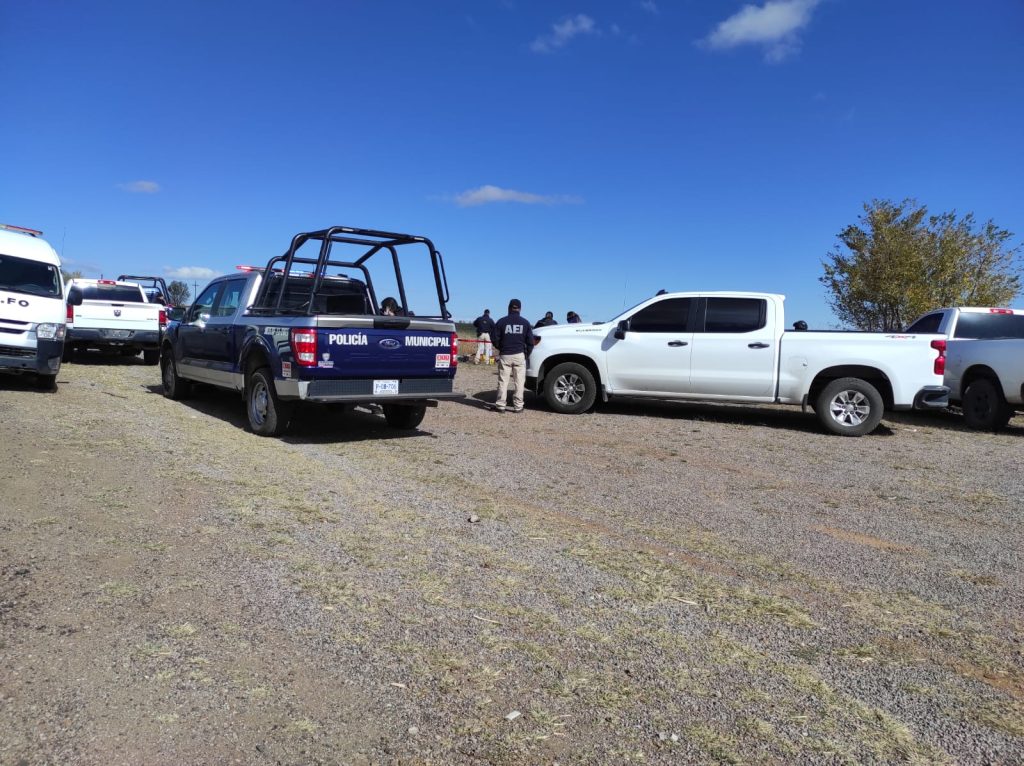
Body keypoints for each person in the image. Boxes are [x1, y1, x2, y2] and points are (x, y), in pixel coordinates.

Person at [493, 298, 535, 413]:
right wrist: (526, 354)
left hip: (505, 354)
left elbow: (494, 338)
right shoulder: (525, 323)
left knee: (503, 381)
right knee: (519, 382)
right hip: (519, 355)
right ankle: (518, 406)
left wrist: (500, 348)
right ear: (520, 309)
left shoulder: (501, 322)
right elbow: (530, 342)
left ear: (509, 307)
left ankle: (501, 405)